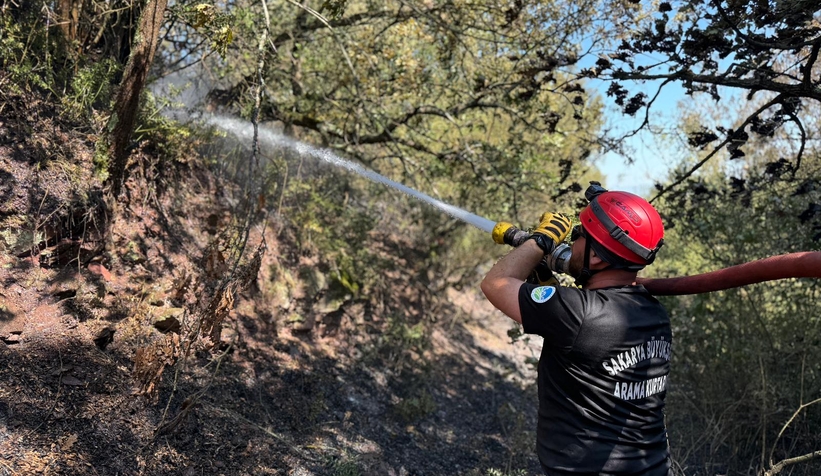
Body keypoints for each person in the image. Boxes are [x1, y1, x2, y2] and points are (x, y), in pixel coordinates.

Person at [481, 182, 672, 476]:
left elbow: (495, 284)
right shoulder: (654, 312)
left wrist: (541, 240)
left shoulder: (579, 314)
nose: (570, 244)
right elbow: (586, 343)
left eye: (577, 235)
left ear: (596, 257)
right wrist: (548, 288)